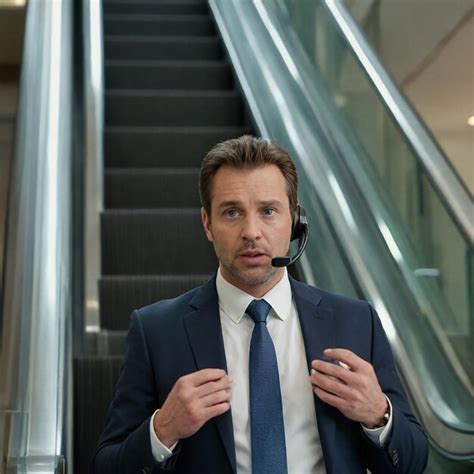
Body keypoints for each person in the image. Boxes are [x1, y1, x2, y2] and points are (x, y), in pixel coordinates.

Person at [92, 135, 428, 473]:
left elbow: (412, 462)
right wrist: (162, 430)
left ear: (295, 222)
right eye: (232, 212)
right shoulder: (156, 331)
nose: (251, 231)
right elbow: (106, 466)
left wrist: (378, 415)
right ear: (207, 224)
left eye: (268, 211)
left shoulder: (356, 321)